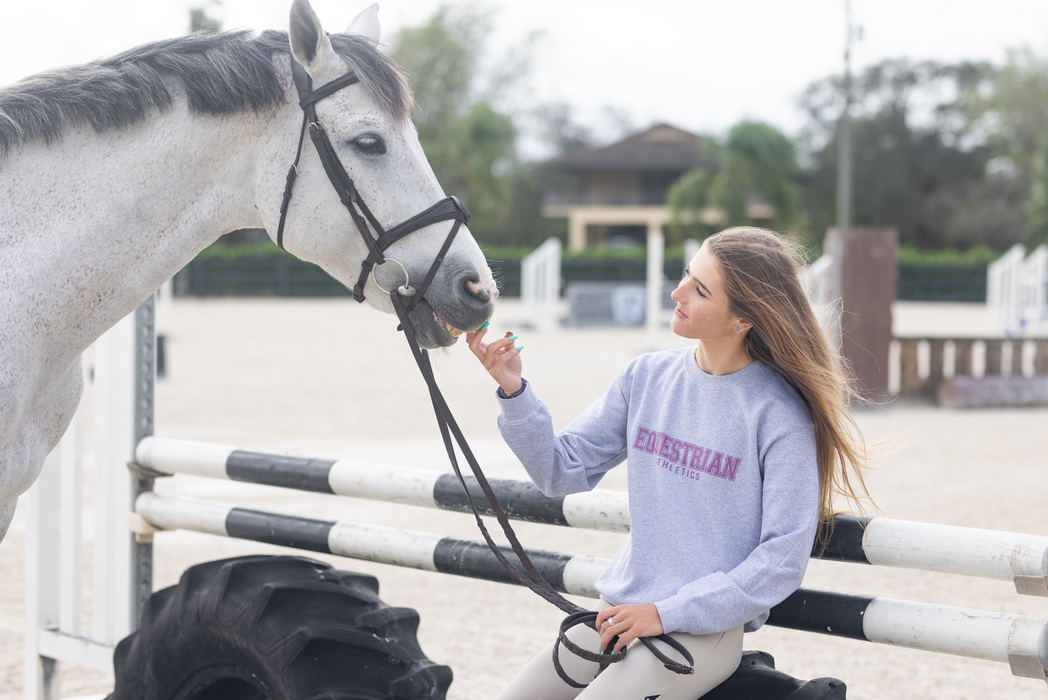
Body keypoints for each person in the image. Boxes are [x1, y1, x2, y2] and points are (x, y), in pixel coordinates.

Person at [466, 226, 872, 700]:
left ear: (743, 318)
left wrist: (664, 613)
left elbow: (781, 559)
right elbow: (560, 470)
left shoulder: (780, 415)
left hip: (701, 633)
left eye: (700, 290)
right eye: (686, 275)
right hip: (617, 616)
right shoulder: (645, 377)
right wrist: (514, 391)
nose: (677, 292)